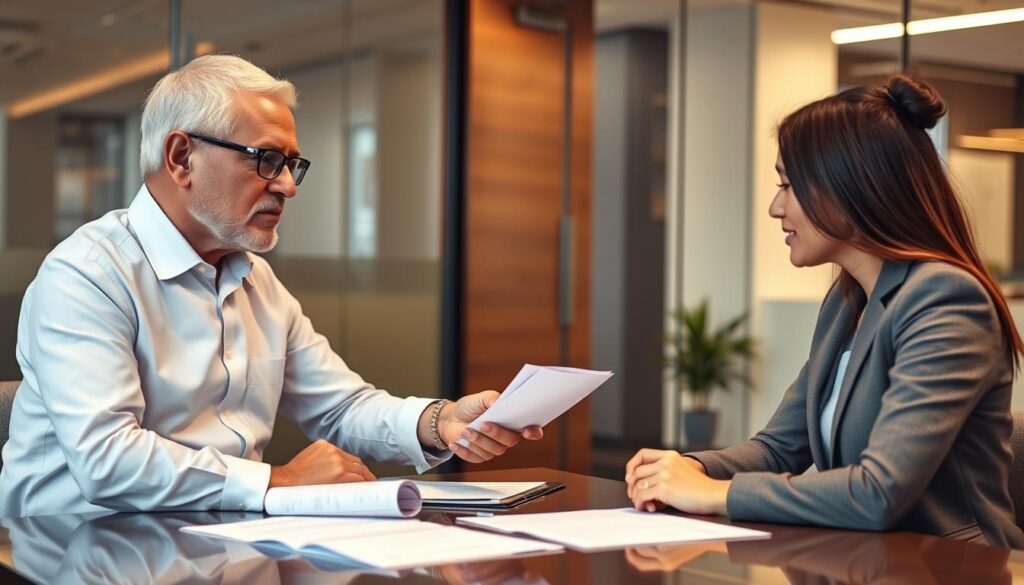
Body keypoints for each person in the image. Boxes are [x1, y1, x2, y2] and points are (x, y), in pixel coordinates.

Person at [0, 54, 542, 517]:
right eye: (266, 159)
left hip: (224, 539)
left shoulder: (255, 278)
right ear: (181, 157)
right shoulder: (86, 275)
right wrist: (278, 480)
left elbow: (340, 408)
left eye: (290, 164)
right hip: (75, 549)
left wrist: (440, 422)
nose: (286, 185)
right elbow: (108, 462)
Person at [625, 75, 1024, 548]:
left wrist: (716, 493)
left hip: (952, 568)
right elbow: (777, 448)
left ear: (850, 186)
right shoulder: (847, 300)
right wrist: (691, 467)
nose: (776, 207)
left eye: (789, 185)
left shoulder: (946, 299)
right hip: (866, 562)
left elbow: (879, 493)